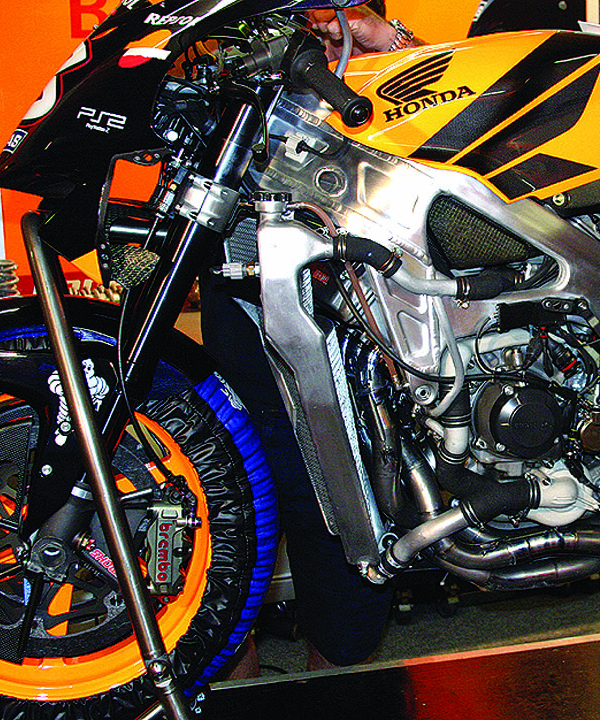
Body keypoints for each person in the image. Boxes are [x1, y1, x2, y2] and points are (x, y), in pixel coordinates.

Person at [202, 2, 419, 674]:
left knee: (346, 515)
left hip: (346, 319)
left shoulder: (357, 39)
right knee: (224, 520)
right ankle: (232, 678)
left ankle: (337, 681)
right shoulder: (213, 35)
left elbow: (435, 105)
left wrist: (385, 40)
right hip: (241, 310)